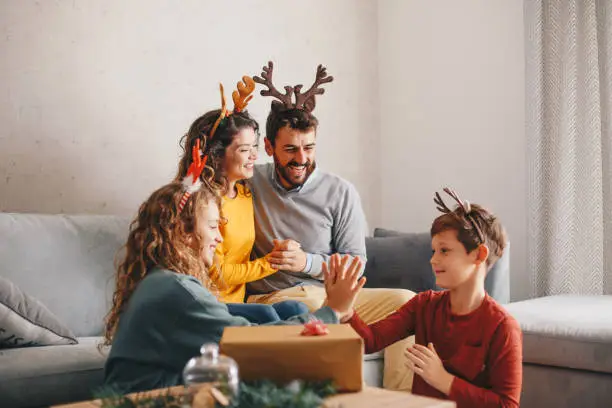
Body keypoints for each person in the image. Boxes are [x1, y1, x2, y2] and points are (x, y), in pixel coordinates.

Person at [103, 142, 365, 393]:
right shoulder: (176, 290)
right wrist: (332, 311)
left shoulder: (161, 282)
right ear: (184, 233)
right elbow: (249, 342)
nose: (219, 238)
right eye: (214, 227)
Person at [245, 61, 416, 391]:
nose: (302, 158)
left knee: (408, 302)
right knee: (311, 311)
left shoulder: (340, 191)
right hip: (276, 298)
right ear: (268, 148)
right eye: (290, 149)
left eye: (309, 148)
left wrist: (306, 262)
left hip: (330, 291)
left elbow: (355, 262)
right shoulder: (251, 182)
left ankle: (402, 398)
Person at [345, 187, 522, 408]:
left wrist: (444, 380)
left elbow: (507, 405)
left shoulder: (502, 327)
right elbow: (370, 341)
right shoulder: (424, 306)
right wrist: (345, 310)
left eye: (444, 251)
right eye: (433, 251)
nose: (433, 260)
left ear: (479, 254)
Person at [175, 76, 308, 324]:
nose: (254, 156)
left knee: (298, 309)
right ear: (217, 155)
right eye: (245, 150)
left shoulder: (245, 194)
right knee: (268, 315)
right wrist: (270, 263)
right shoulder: (204, 204)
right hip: (208, 303)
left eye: (254, 147)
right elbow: (218, 275)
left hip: (238, 302)